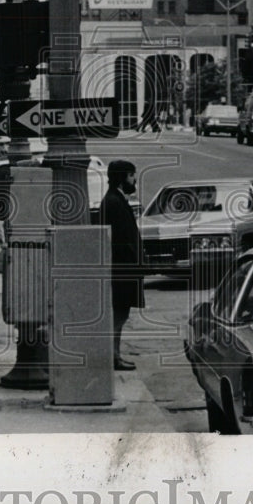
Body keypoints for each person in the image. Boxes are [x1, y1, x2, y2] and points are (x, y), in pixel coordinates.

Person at [98, 159, 144, 371]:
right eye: (132, 175)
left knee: (121, 314)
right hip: (121, 270)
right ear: (123, 176)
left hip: (123, 269)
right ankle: (112, 356)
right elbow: (119, 240)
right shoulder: (114, 202)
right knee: (118, 315)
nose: (134, 180)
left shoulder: (116, 200)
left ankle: (115, 355)